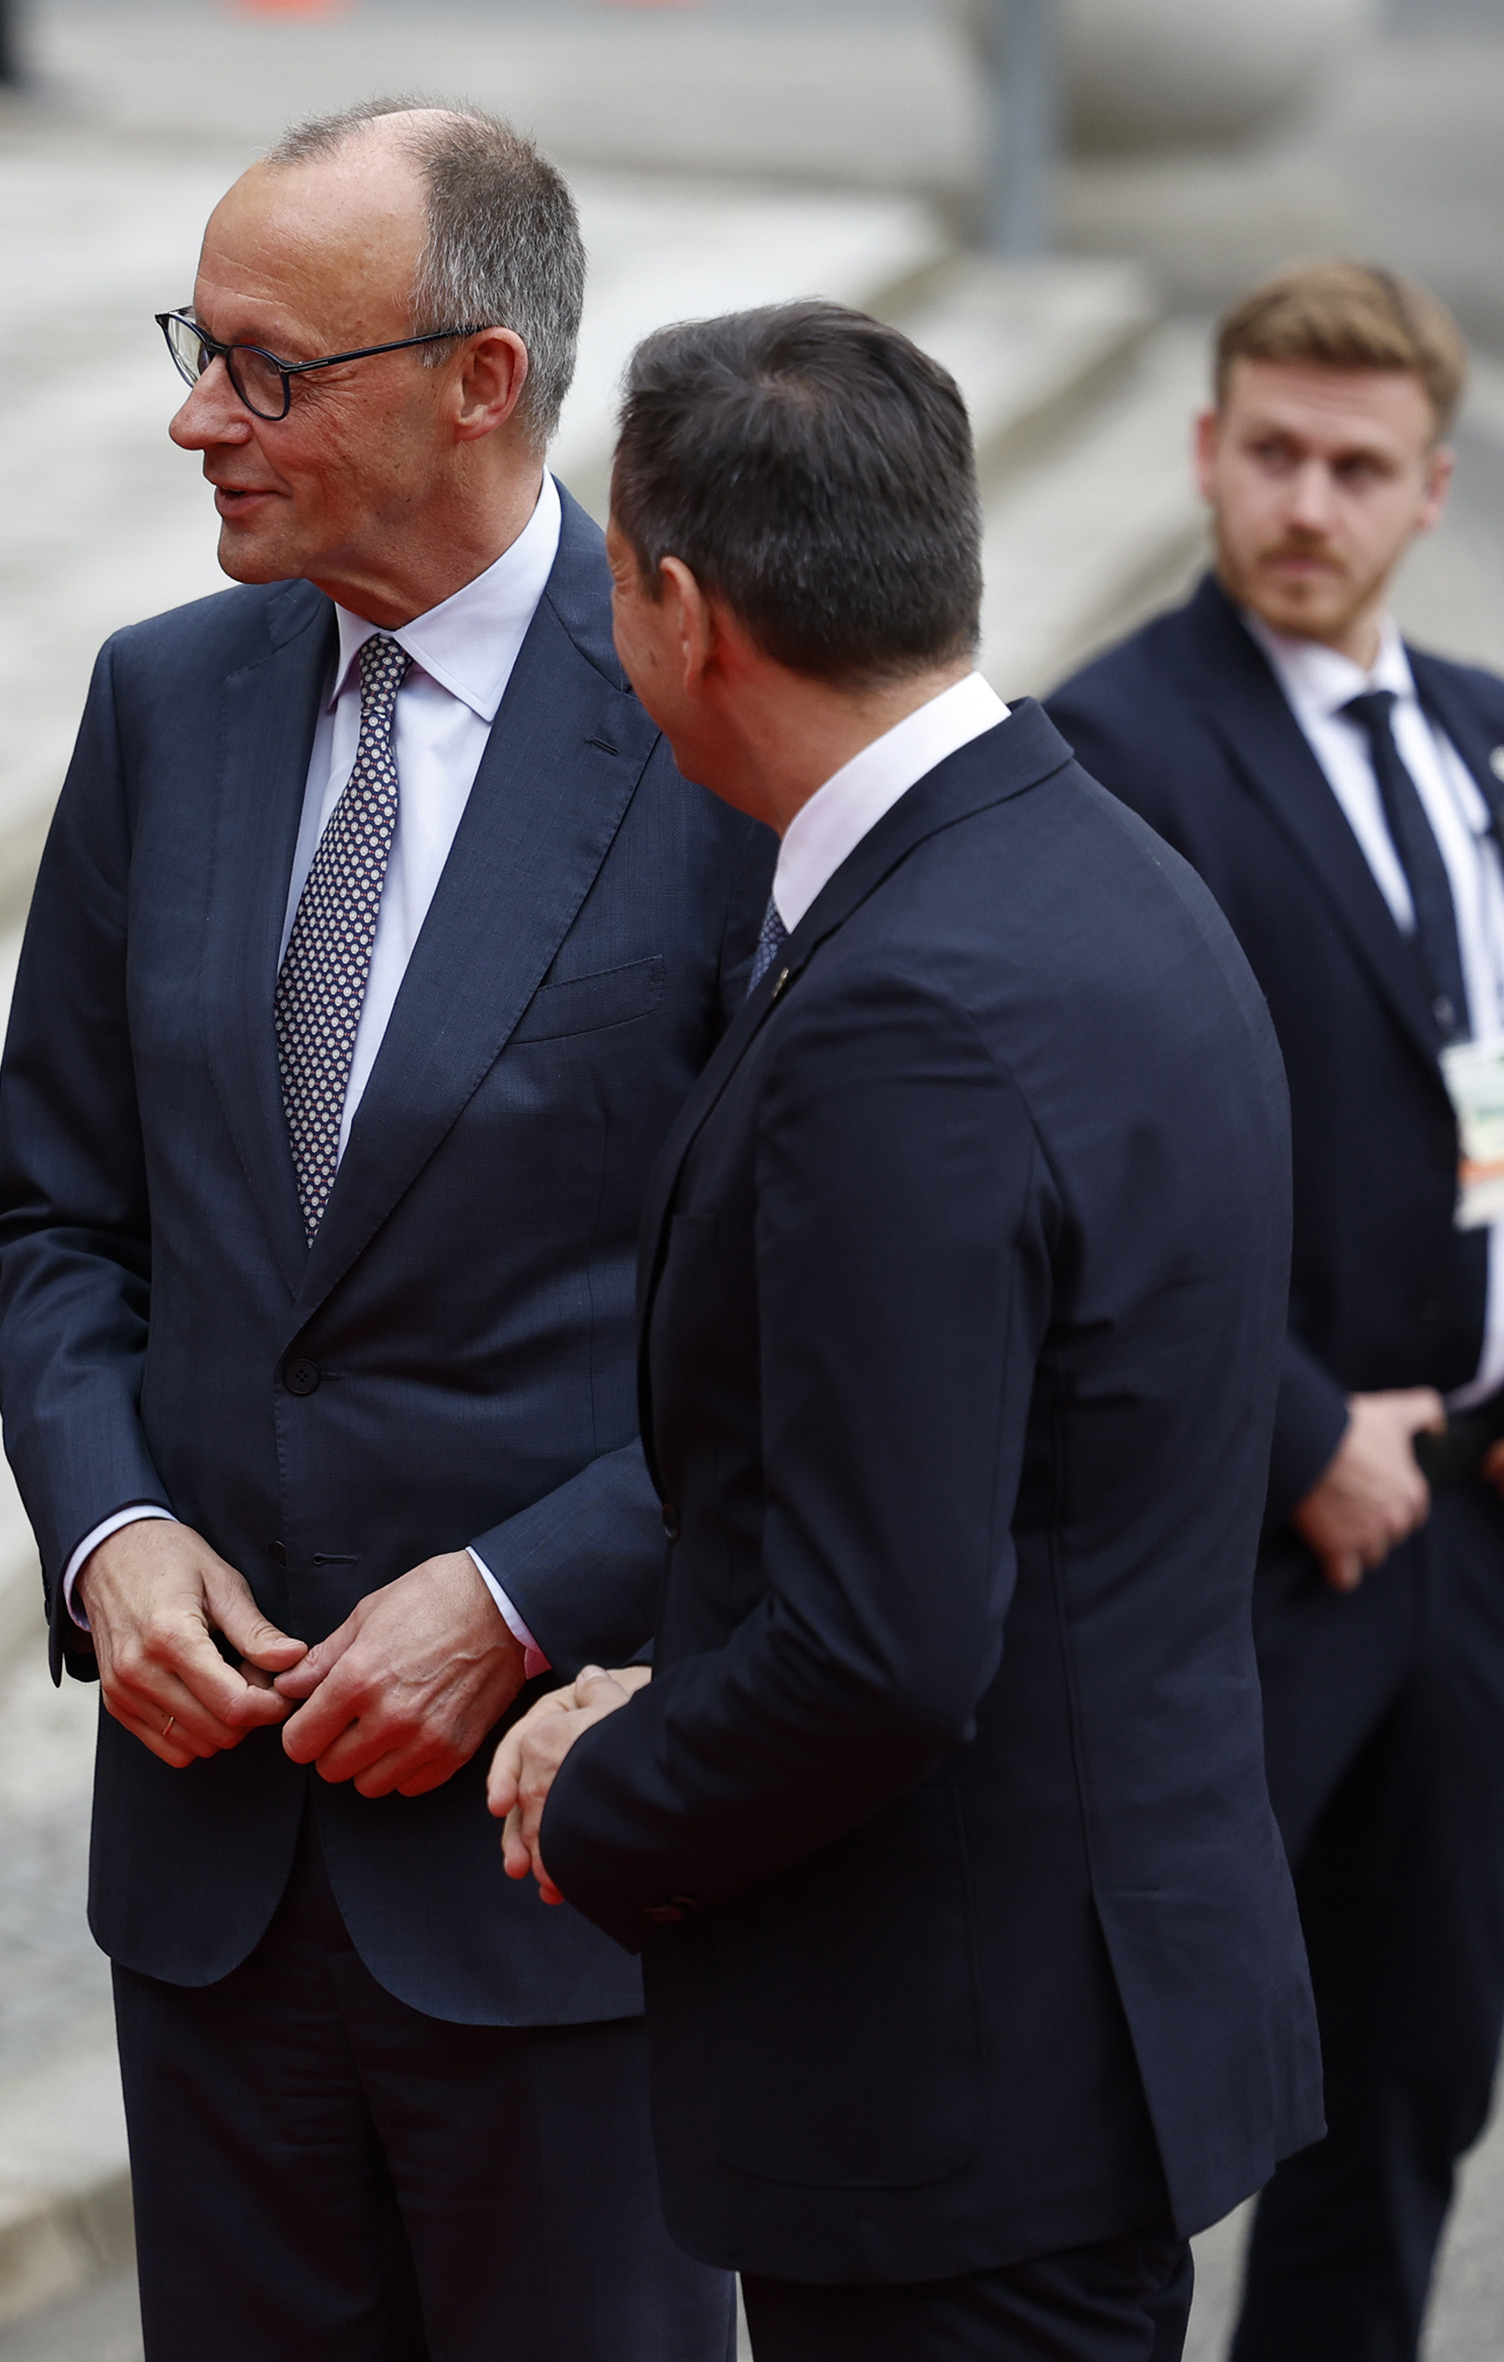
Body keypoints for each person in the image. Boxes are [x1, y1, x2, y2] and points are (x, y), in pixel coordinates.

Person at [0, 102, 767, 2362]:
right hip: (211, 1872)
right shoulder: (162, 700)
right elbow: (58, 1220)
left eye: (267, 368)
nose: (196, 418)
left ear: (477, 383)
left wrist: (522, 1594)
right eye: (196, 349)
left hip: (560, 1866)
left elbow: (797, 1320)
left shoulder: (708, 719)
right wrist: (109, 1530)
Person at [485, 301, 1319, 2362]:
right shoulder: (1094, 864)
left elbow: (883, 1643)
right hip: (1073, 2020)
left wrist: (600, 1794)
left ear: (682, 614)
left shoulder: (902, 1018)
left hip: (951, 2086)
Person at [1046, 263, 1504, 2361]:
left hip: (1484, 1526)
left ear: (1430, 491)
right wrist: (1300, 1427)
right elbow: (1091, 1180)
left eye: (1354, 465)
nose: (1304, 503)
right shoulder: (1111, 753)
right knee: (1130, 2116)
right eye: (1270, 453)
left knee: (1406, 2091)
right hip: (1240, 1554)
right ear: (1202, 452)